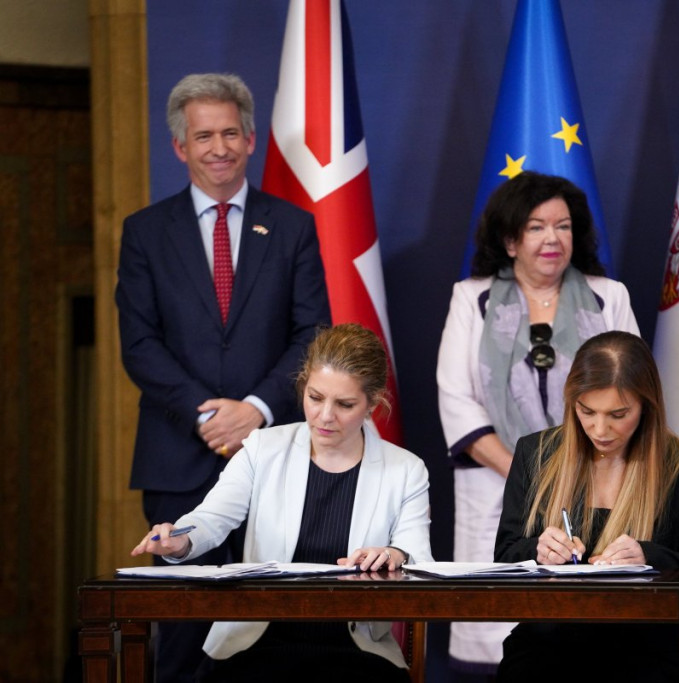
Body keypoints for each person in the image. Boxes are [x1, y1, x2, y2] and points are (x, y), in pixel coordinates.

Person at [115, 72, 331, 682]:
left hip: (274, 455)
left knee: (276, 637)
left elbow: (313, 333)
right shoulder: (144, 231)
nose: (219, 148)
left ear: (251, 139)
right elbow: (139, 344)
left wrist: (256, 409)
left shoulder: (292, 226)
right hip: (179, 461)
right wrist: (210, 415)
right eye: (203, 136)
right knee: (183, 641)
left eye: (230, 133)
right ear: (180, 146)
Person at [131, 323, 432, 683]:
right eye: (315, 397)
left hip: (357, 652)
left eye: (345, 404)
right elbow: (212, 518)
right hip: (258, 645)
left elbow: (419, 560)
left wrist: (394, 554)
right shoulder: (262, 448)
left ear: (373, 403)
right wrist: (180, 540)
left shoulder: (406, 470)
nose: (325, 416)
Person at [436, 171, 639, 672]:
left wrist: (572, 472)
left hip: (597, 483)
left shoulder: (608, 296)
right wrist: (528, 475)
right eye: (536, 227)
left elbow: (632, 389)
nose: (553, 238)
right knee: (498, 636)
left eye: (563, 226)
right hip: (496, 486)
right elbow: (456, 400)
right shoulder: (472, 298)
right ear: (510, 240)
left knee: (588, 644)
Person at [493, 330, 679, 681]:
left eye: (618, 414)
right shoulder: (535, 454)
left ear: (646, 405)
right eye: (587, 411)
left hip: (646, 648)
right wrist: (538, 550)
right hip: (548, 644)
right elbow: (504, 558)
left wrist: (650, 557)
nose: (600, 429)